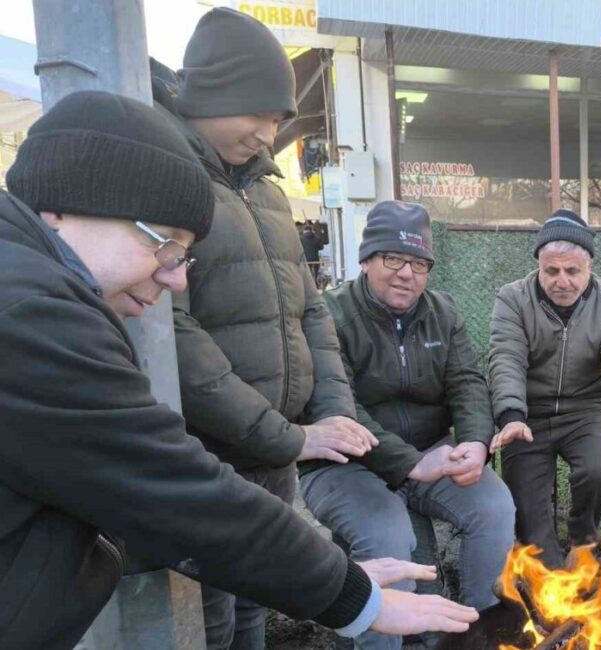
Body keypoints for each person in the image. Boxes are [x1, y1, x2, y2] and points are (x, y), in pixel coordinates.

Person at [0, 90, 477, 650]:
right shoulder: (31, 316)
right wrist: (352, 594)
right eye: (166, 245)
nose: (177, 279)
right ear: (64, 205)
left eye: (184, 255)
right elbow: (173, 490)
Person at [152, 9, 377, 648]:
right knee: (207, 619)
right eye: (262, 114)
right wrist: (286, 435)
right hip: (207, 451)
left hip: (277, 452)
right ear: (215, 93)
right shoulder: (169, 174)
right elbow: (173, 330)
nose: (271, 133)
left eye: (280, 119)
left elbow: (310, 311)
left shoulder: (270, 194)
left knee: (258, 604)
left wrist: (333, 415)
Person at [300, 200, 515, 650]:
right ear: (366, 260)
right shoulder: (328, 314)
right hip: (344, 463)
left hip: (430, 455)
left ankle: (479, 634)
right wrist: (410, 464)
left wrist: (476, 443)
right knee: (388, 534)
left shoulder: (443, 312)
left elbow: (468, 383)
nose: (406, 273)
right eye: (392, 258)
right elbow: (338, 406)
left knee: (495, 507)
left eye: (419, 263)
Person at [488, 209, 601, 567]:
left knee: (600, 467)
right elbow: (506, 358)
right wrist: (510, 415)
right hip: (529, 415)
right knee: (530, 524)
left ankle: (583, 539)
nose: (562, 281)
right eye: (551, 271)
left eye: (573, 271)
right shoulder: (512, 298)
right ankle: (552, 577)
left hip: (587, 409)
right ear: (538, 265)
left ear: (589, 268)